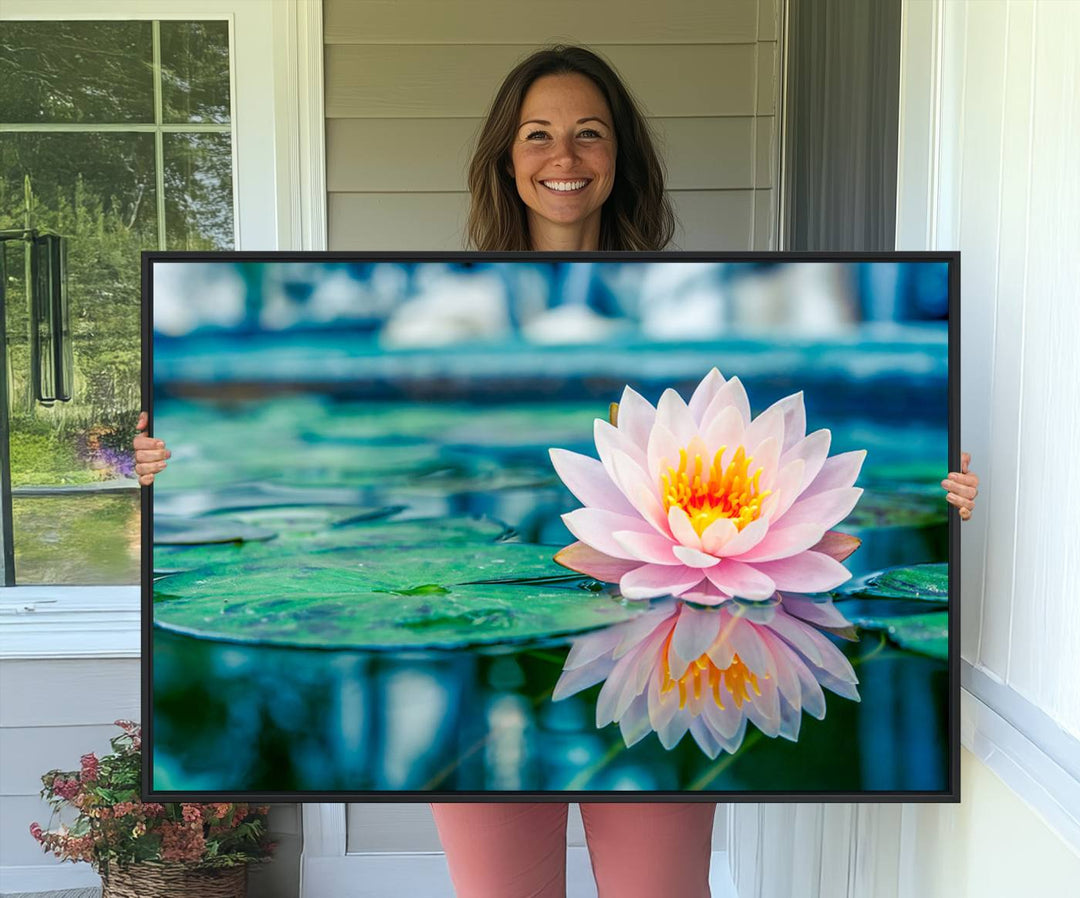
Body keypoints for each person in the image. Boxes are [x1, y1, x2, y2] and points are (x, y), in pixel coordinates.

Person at [135, 45, 979, 898]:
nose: (564, 157)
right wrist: (155, 461)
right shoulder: (451, 303)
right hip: (549, 594)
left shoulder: (686, 314)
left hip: (674, 639)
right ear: (507, 158)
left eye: (589, 134)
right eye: (537, 135)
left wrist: (951, 498)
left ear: (621, 158)